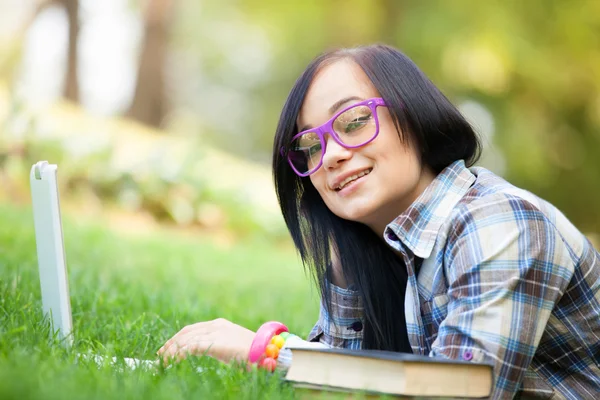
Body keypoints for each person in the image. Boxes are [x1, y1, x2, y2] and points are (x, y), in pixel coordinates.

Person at [158, 44, 600, 399]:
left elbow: (464, 388)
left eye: (353, 122)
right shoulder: (361, 247)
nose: (330, 156)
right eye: (309, 146)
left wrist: (267, 352)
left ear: (414, 112)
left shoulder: (499, 223)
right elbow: (339, 381)